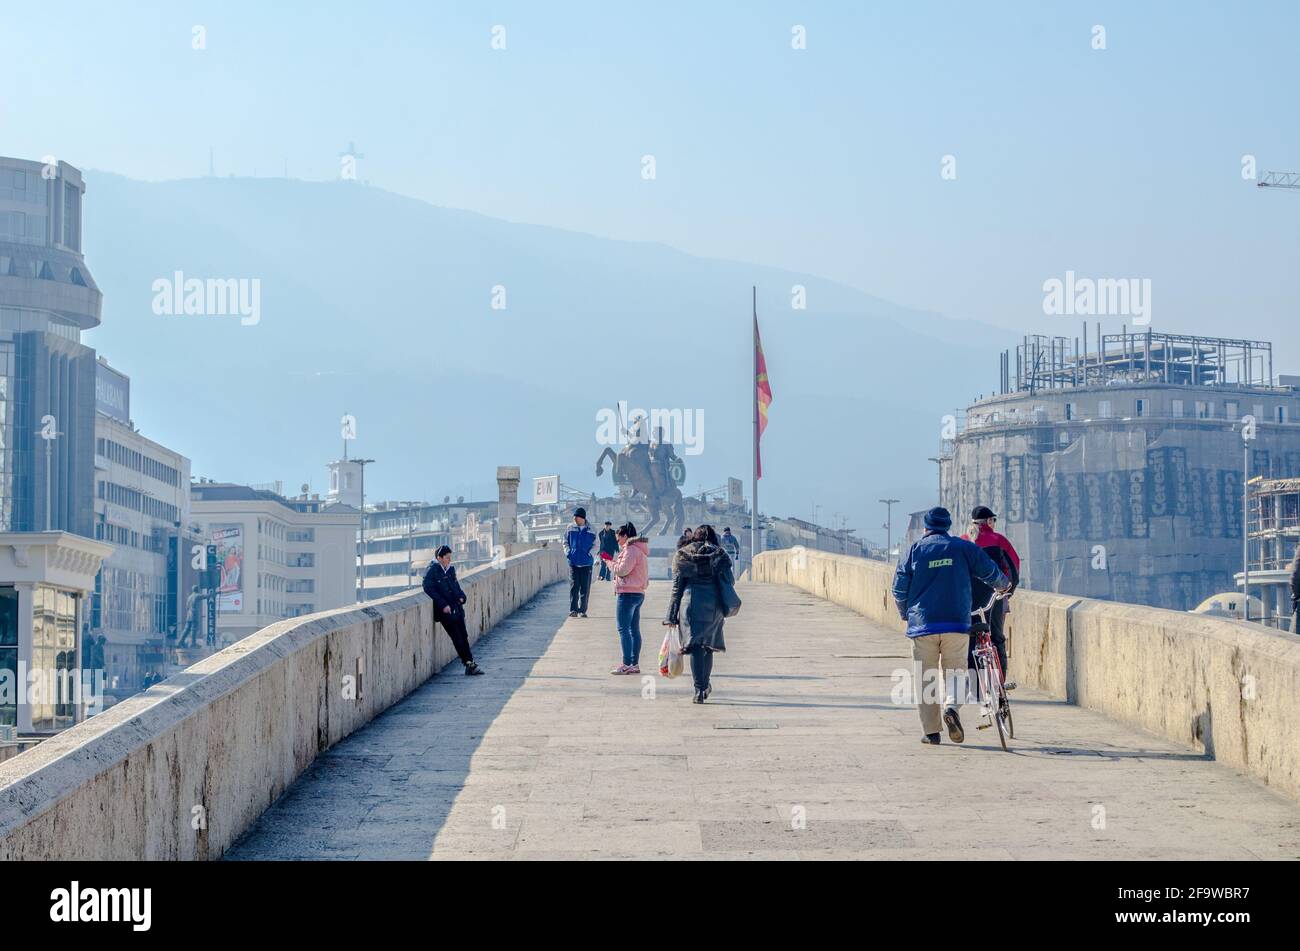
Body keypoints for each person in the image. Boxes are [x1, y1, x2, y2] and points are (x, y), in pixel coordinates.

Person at [892, 507, 1009, 745]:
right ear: (948, 526)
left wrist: (906, 613)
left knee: (926, 678)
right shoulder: (963, 547)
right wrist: (1003, 585)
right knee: (956, 671)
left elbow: (899, 589)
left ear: (925, 528)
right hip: (956, 621)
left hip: (922, 625)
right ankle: (952, 707)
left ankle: (932, 732)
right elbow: (989, 571)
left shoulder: (913, 551)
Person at [665, 525, 735, 704]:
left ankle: (699, 690)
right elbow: (730, 581)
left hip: (689, 604)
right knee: (708, 646)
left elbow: (676, 588)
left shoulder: (683, 555)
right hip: (713, 605)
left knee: (695, 646)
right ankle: (705, 685)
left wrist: (671, 615)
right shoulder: (720, 555)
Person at [962, 506, 1021, 691]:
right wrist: (1007, 594)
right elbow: (1014, 568)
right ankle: (999, 685)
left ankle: (974, 686)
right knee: (996, 639)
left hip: (967, 600)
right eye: (993, 520)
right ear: (989, 522)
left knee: (970, 641)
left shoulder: (962, 542)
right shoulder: (999, 540)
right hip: (993, 599)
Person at [422, 545, 484, 675]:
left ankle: (470, 663)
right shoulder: (432, 570)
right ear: (439, 558)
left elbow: (456, 586)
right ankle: (468, 663)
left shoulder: (450, 570)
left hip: (457, 607)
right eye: (447, 557)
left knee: (464, 636)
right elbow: (428, 589)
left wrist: (462, 597)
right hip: (445, 612)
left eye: (450, 557)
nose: (449, 560)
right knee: (456, 637)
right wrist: (443, 604)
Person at [610, 522, 649, 674]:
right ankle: (634, 664)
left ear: (624, 536)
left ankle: (626, 664)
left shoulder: (631, 550)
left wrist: (610, 563)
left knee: (623, 629)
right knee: (634, 629)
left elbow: (622, 570)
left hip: (627, 593)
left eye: (618, 538)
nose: (617, 541)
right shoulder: (640, 550)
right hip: (638, 592)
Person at [564, 507, 597, 617]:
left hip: (586, 563)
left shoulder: (591, 529)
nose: (574, 519)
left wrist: (590, 554)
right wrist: (568, 552)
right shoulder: (570, 528)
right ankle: (573, 610)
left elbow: (596, 545)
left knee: (585, 588)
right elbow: (565, 542)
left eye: (576, 517)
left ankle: (582, 611)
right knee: (574, 586)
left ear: (582, 518)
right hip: (573, 563)